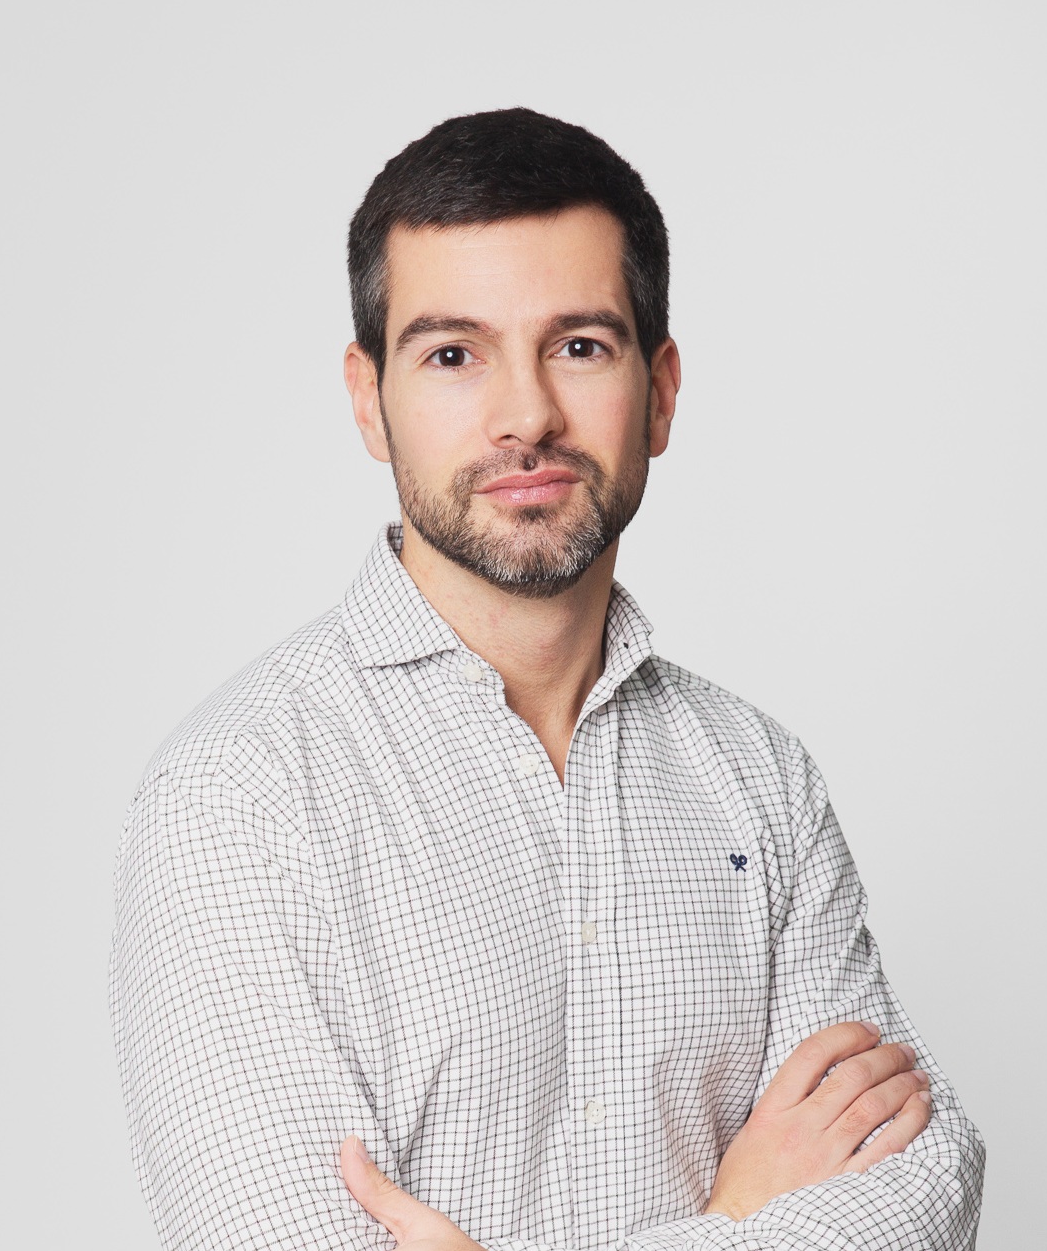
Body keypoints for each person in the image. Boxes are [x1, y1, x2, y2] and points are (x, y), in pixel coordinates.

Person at [109, 108, 985, 1251]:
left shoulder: (758, 779)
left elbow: (919, 1188)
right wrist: (737, 1221)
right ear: (369, 399)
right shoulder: (239, 798)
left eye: (578, 346)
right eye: (452, 355)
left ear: (659, 391)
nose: (524, 415)